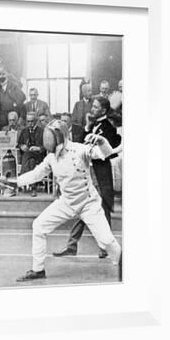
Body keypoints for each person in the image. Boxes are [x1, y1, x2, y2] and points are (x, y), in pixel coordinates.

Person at [7, 120, 122, 282]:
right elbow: (36, 174)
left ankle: (124, 264)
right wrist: (15, 182)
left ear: (59, 137)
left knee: (106, 240)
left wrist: (102, 142)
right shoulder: (51, 157)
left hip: (88, 203)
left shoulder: (80, 149)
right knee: (39, 226)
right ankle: (38, 269)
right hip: (67, 202)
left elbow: (105, 153)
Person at [53, 96, 121, 258]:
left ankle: (105, 247)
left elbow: (107, 151)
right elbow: (81, 144)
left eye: (96, 107)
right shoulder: (94, 125)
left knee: (102, 209)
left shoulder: (109, 127)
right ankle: (72, 246)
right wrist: (88, 126)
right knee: (83, 208)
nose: (92, 109)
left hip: (100, 173)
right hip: (87, 172)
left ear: (103, 110)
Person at [18, 112, 45, 197]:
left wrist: (39, 148)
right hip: (30, 158)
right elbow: (19, 143)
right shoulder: (24, 131)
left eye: (32, 121)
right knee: (31, 162)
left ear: (36, 121)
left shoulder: (42, 131)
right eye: (28, 121)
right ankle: (33, 188)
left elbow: (47, 146)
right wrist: (22, 146)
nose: (30, 123)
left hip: (39, 156)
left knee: (27, 155)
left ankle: (20, 180)